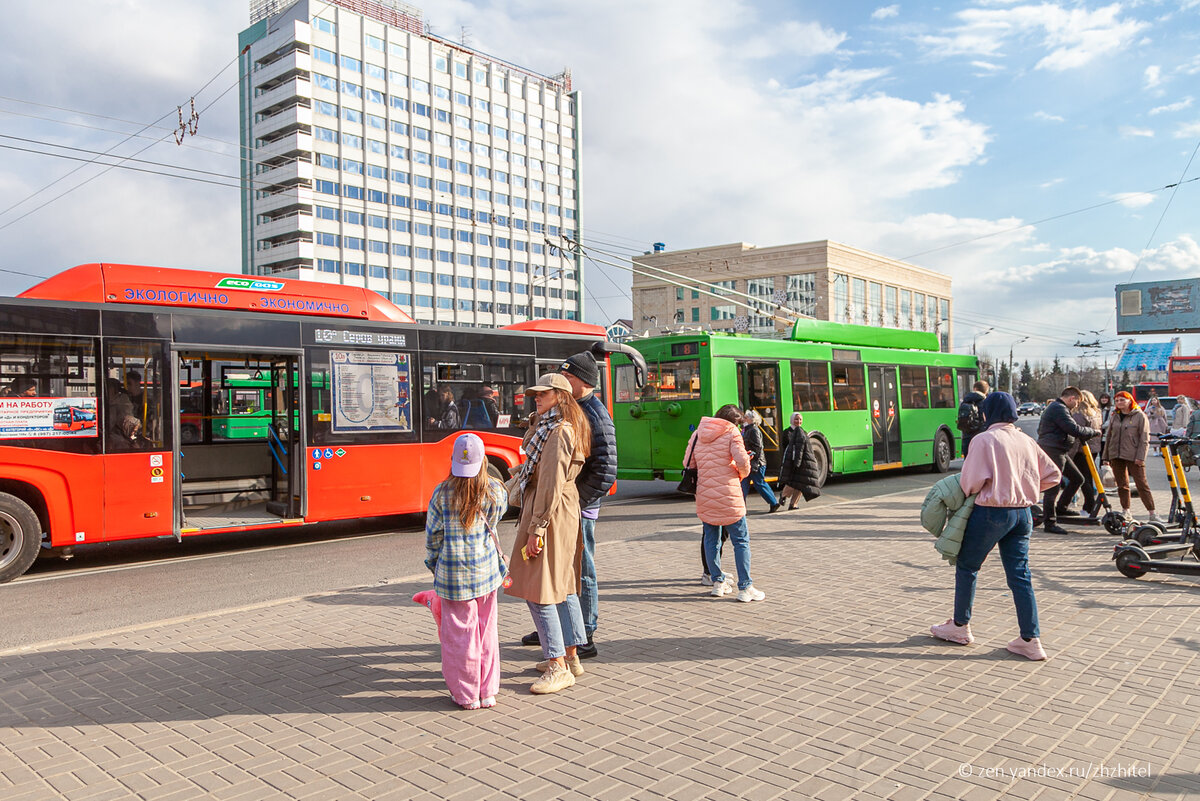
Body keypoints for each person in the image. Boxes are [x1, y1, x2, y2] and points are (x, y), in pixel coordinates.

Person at [930, 391, 1061, 661]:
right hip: (1023, 513)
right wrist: (1026, 489)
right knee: (1020, 575)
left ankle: (959, 626)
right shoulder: (1026, 440)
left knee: (968, 566)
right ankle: (1030, 639)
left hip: (990, 512)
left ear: (987, 413)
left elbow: (970, 483)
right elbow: (1053, 474)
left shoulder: (984, 440)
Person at [519, 352, 617, 661]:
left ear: (578, 382)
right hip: (566, 506)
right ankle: (559, 634)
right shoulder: (572, 413)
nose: (537, 399)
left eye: (568, 378)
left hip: (572, 508)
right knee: (560, 575)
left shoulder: (591, 415)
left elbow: (606, 469)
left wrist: (575, 501)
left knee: (576, 573)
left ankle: (583, 635)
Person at [504, 373, 591, 695]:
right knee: (562, 584)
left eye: (544, 394)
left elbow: (552, 481)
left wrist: (536, 527)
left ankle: (557, 665)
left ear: (561, 396)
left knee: (538, 587)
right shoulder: (553, 427)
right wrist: (534, 421)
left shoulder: (558, 432)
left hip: (549, 510)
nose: (536, 398)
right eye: (535, 393)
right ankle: (570, 656)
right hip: (558, 508)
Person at [423, 433, 508, 710]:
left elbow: (433, 537)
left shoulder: (441, 493)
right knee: (487, 633)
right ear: (483, 461)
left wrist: (435, 566)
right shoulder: (494, 490)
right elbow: (495, 519)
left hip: (453, 579)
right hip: (486, 574)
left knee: (460, 637)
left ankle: (466, 694)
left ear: (453, 461)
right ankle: (488, 691)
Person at [684, 403, 765, 602]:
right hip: (729, 493)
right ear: (733, 422)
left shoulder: (698, 434)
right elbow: (743, 463)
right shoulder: (732, 433)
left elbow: (688, 463)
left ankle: (718, 582)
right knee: (741, 541)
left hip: (705, 494)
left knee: (711, 539)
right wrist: (740, 474)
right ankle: (745, 587)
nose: (739, 427)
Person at [1035, 386, 1100, 535]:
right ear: (1072, 398)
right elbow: (1074, 429)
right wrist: (1093, 432)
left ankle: (1061, 507)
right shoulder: (1059, 408)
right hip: (1053, 450)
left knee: (1078, 479)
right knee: (1054, 485)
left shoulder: (1059, 407)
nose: (1077, 405)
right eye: (1077, 402)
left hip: (1060, 450)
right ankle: (1050, 522)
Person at [1102, 391, 1161, 524]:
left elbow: (1144, 439)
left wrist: (1141, 457)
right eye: (1117, 401)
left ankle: (1152, 513)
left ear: (1130, 401)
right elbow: (1109, 436)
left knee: (1142, 484)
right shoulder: (1115, 416)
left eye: (1122, 400)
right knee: (1122, 485)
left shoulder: (1139, 415)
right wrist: (1106, 456)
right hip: (1116, 455)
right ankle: (1126, 510)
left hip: (1133, 455)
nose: (1119, 403)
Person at [1067, 389, 1103, 517]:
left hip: (1081, 450)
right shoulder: (1097, 413)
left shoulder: (1079, 414)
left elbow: (1077, 435)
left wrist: (1070, 454)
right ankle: (1089, 505)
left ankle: (1089, 506)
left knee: (1083, 479)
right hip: (1094, 448)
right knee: (1089, 476)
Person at [777, 411, 822, 510]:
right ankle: (783, 495)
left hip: (803, 462)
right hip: (792, 460)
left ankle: (793, 504)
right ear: (792, 420)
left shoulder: (803, 432)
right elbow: (788, 447)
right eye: (796, 419)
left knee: (802, 483)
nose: (798, 421)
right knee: (793, 481)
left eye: (800, 419)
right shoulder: (787, 432)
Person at [740, 409, 781, 513]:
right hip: (750, 462)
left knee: (759, 483)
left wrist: (755, 463)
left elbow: (758, 448)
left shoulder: (753, 430)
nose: (744, 419)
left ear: (751, 419)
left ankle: (773, 502)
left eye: (746, 417)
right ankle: (741, 507)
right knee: (743, 485)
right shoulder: (747, 429)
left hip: (756, 463)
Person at [956, 380, 989, 456]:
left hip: (967, 437)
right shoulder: (986, 402)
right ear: (986, 391)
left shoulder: (965, 401)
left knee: (968, 462)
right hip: (981, 437)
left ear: (975, 388)